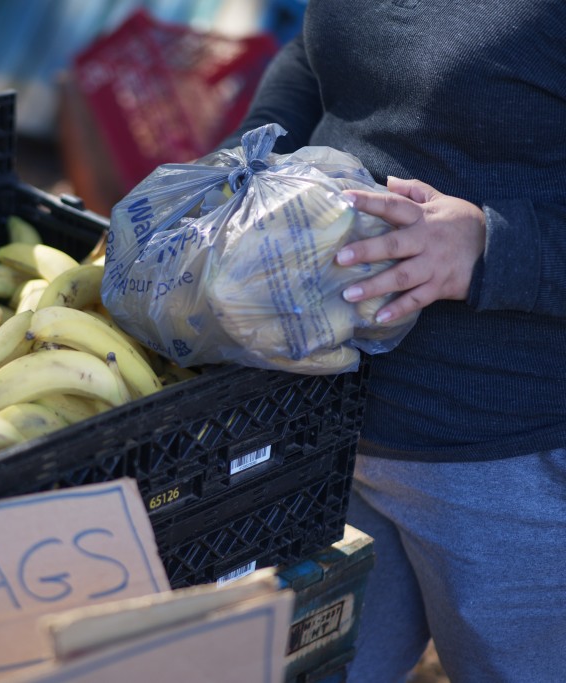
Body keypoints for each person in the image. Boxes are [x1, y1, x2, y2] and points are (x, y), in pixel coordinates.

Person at [217, 2, 566, 681]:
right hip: (317, 419)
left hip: (503, 467)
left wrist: (491, 244)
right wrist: (250, 155)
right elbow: (321, 61)